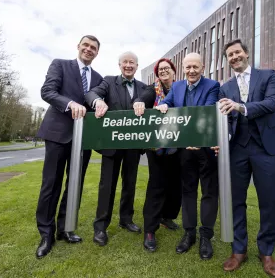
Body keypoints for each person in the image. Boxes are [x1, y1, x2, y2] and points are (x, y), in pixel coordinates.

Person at [218, 39, 275, 277]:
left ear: (246, 54)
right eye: (230, 55)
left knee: (269, 202)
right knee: (235, 201)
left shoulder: (268, 76)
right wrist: (219, 139)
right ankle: (238, 250)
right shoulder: (224, 87)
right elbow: (225, 119)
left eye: (237, 52)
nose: (234, 57)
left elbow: (271, 104)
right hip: (237, 150)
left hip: (266, 149)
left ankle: (266, 251)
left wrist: (240, 107)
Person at [35, 35, 103, 259]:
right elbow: (48, 92)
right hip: (57, 134)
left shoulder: (99, 78)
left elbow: (99, 104)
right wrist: (70, 104)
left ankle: (66, 228)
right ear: (78, 47)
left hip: (83, 140)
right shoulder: (60, 65)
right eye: (86, 45)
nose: (89, 49)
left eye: (93, 48)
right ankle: (46, 233)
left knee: (75, 185)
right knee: (51, 185)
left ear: (97, 52)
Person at [156, 53, 219, 260]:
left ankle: (206, 237)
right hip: (184, 150)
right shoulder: (177, 87)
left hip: (206, 150)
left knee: (209, 192)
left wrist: (196, 137)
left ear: (203, 67)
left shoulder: (212, 85)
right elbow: (167, 102)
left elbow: (206, 112)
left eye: (195, 67)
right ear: (183, 68)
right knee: (188, 192)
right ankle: (189, 233)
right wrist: (164, 105)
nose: (191, 71)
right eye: (188, 67)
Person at [84, 51, 146, 246]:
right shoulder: (109, 81)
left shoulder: (143, 87)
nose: (128, 65)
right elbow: (91, 93)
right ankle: (100, 226)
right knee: (107, 186)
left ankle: (126, 219)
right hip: (111, 144)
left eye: (132, 63)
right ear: (119, 65)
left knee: (130, 184)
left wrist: (142, 101)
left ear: (137, 66)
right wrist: (98, 101)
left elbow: (151, 96)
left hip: (133, 146)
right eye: (125, 62)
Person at [133, 58, 182, 252]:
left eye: (166, 68)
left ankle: (166, 217)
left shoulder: (181, 88)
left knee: (176, 185)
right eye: (160, 69)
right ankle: (150, 230)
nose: (163, 71)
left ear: (173, 71)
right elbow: (141, 99)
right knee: (157, 185)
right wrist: (138, 104)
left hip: (178, 145)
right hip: (157, 148)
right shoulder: (152, 89)